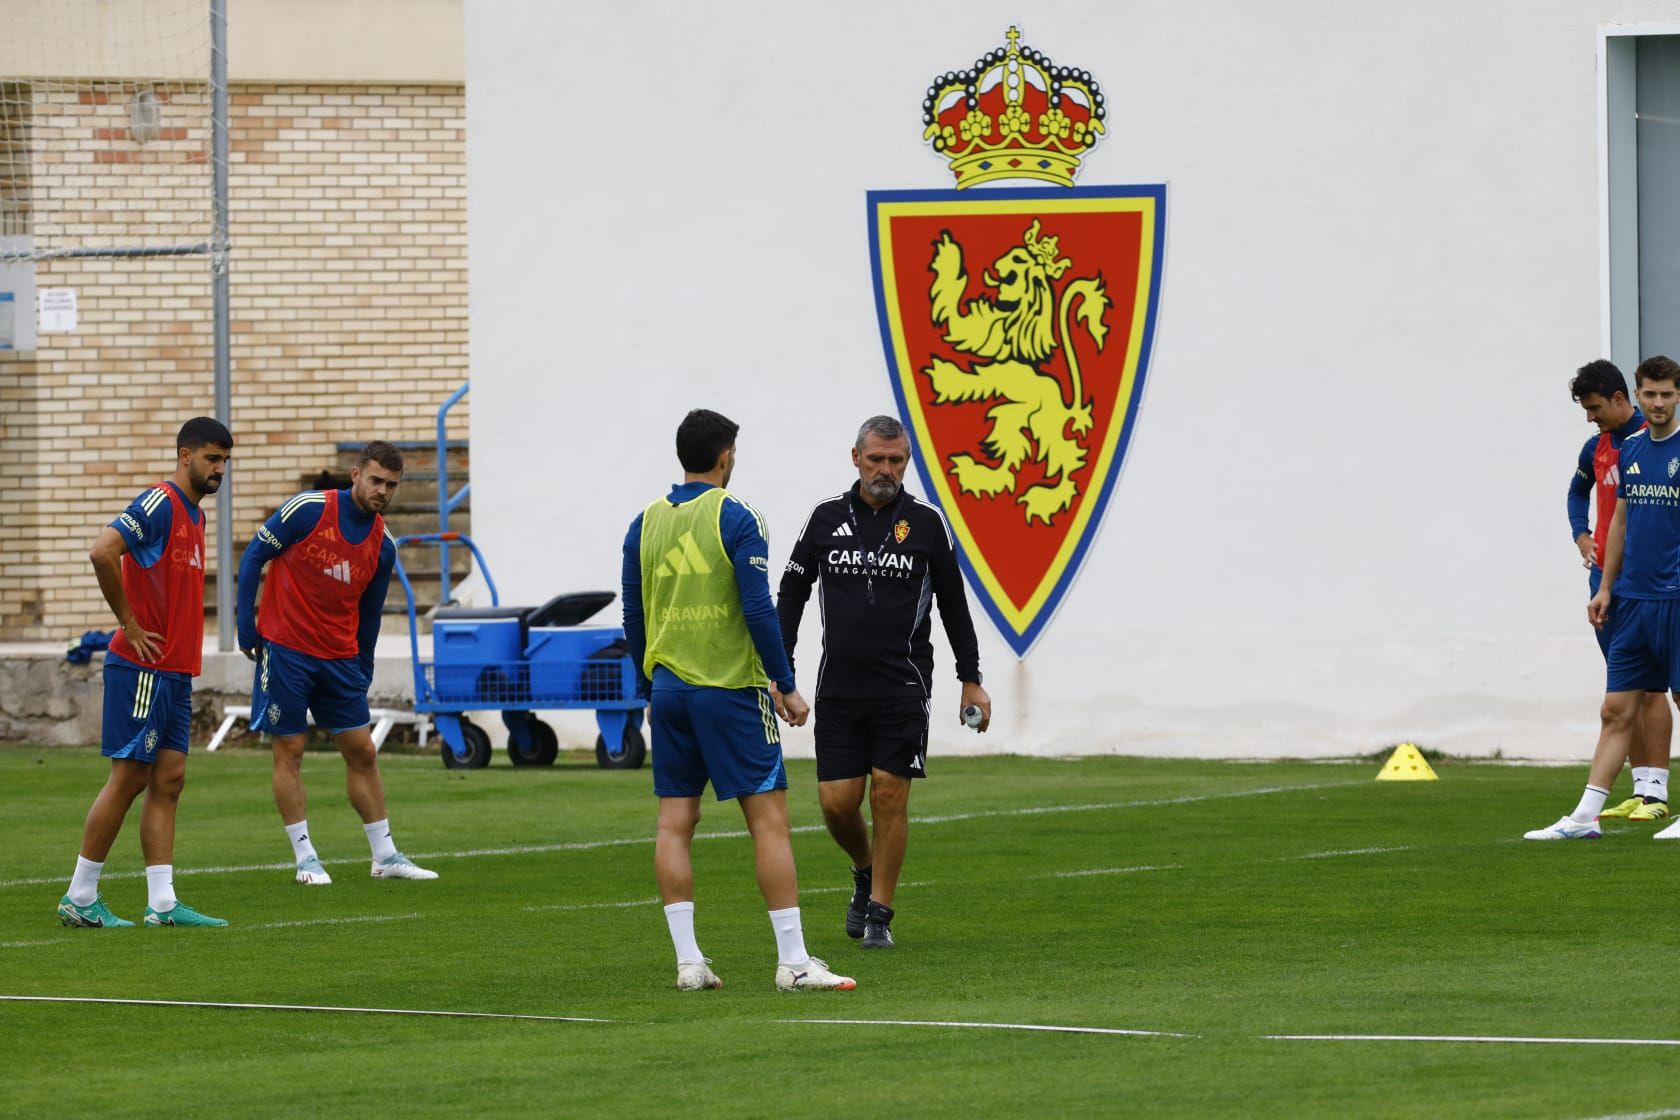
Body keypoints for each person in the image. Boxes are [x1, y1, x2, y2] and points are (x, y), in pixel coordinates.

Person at [622, 408, 855, 992]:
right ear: (725, 456)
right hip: (728, 690)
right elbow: (756, 606)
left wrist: (649, 689)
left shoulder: (643, 524)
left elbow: (633, 616)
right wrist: (785, 682)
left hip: (669, 691)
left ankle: (689, 963)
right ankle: (794, 963)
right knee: (769, 823)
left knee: (674, 824)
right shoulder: (737, 515)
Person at [777, 414, 991, 948]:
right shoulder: (825, 518)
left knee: (890, 795)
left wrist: (971, 679)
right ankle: (864, 868)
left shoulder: (927, 522)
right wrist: (782, 669)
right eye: (876, 459)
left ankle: (879, 914)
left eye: (896, 461)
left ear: (906, 462)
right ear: (856, 458)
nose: (885, 470)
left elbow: (954, 604)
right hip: (839, 686)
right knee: (836, 803)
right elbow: (792, 593)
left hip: (904, 686)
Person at [57, 417, 234, 929]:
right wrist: (128, 623)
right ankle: (80, 896)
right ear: (185, 456)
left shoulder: (196, 517)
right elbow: (102, 551)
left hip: (175, 672)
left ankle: (162, 903)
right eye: (212, 459)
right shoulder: (159, 503)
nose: (220, 469)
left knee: (170, 780)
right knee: (130, 777)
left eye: (225, 461)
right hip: (142, 669)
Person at [236, 440, 437, 884]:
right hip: (286, 650)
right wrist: (245, 626)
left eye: (391, 485)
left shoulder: (384, 545)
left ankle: (385, 856)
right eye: (376, 480)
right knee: (291, 750)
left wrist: (364, 665)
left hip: (340, 657)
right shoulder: (307, 510)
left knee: (362, 751)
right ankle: (306, 858)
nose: (383, 491)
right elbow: (254, 556)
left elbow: (370, 612)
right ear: (356, 475)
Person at [1529, 356, 1680, 841]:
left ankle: (1656, 794)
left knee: (1671, 697)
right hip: (1629, 597)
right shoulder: (1626, 450)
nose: (1657, 402)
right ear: (1637, 394)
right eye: (1650, 393)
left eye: (1666, 394)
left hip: (1674, 597)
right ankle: (1584, 818)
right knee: (1616, 707)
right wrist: (1605, 584)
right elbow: (1617, 520)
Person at [1565, 360, 1671, 821]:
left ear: (1620, 398)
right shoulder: (1600, 448)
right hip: (1610, 581)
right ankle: (1639, 787)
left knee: (1654, 690)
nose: (1591, 418)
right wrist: (1581, 534)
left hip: (1656, 584)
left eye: (1595, 409)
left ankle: (1656, 791)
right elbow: (1577, 493)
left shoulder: (1655, 442)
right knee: (1624, 688)